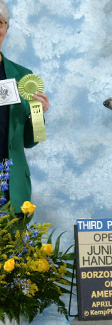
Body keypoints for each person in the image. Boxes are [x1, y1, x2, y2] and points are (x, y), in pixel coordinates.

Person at [0, 0, 49, 215]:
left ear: (6, 29)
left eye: (0, 23)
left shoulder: (22, 75)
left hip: (13, 187)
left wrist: (38, 113)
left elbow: (31, 141)